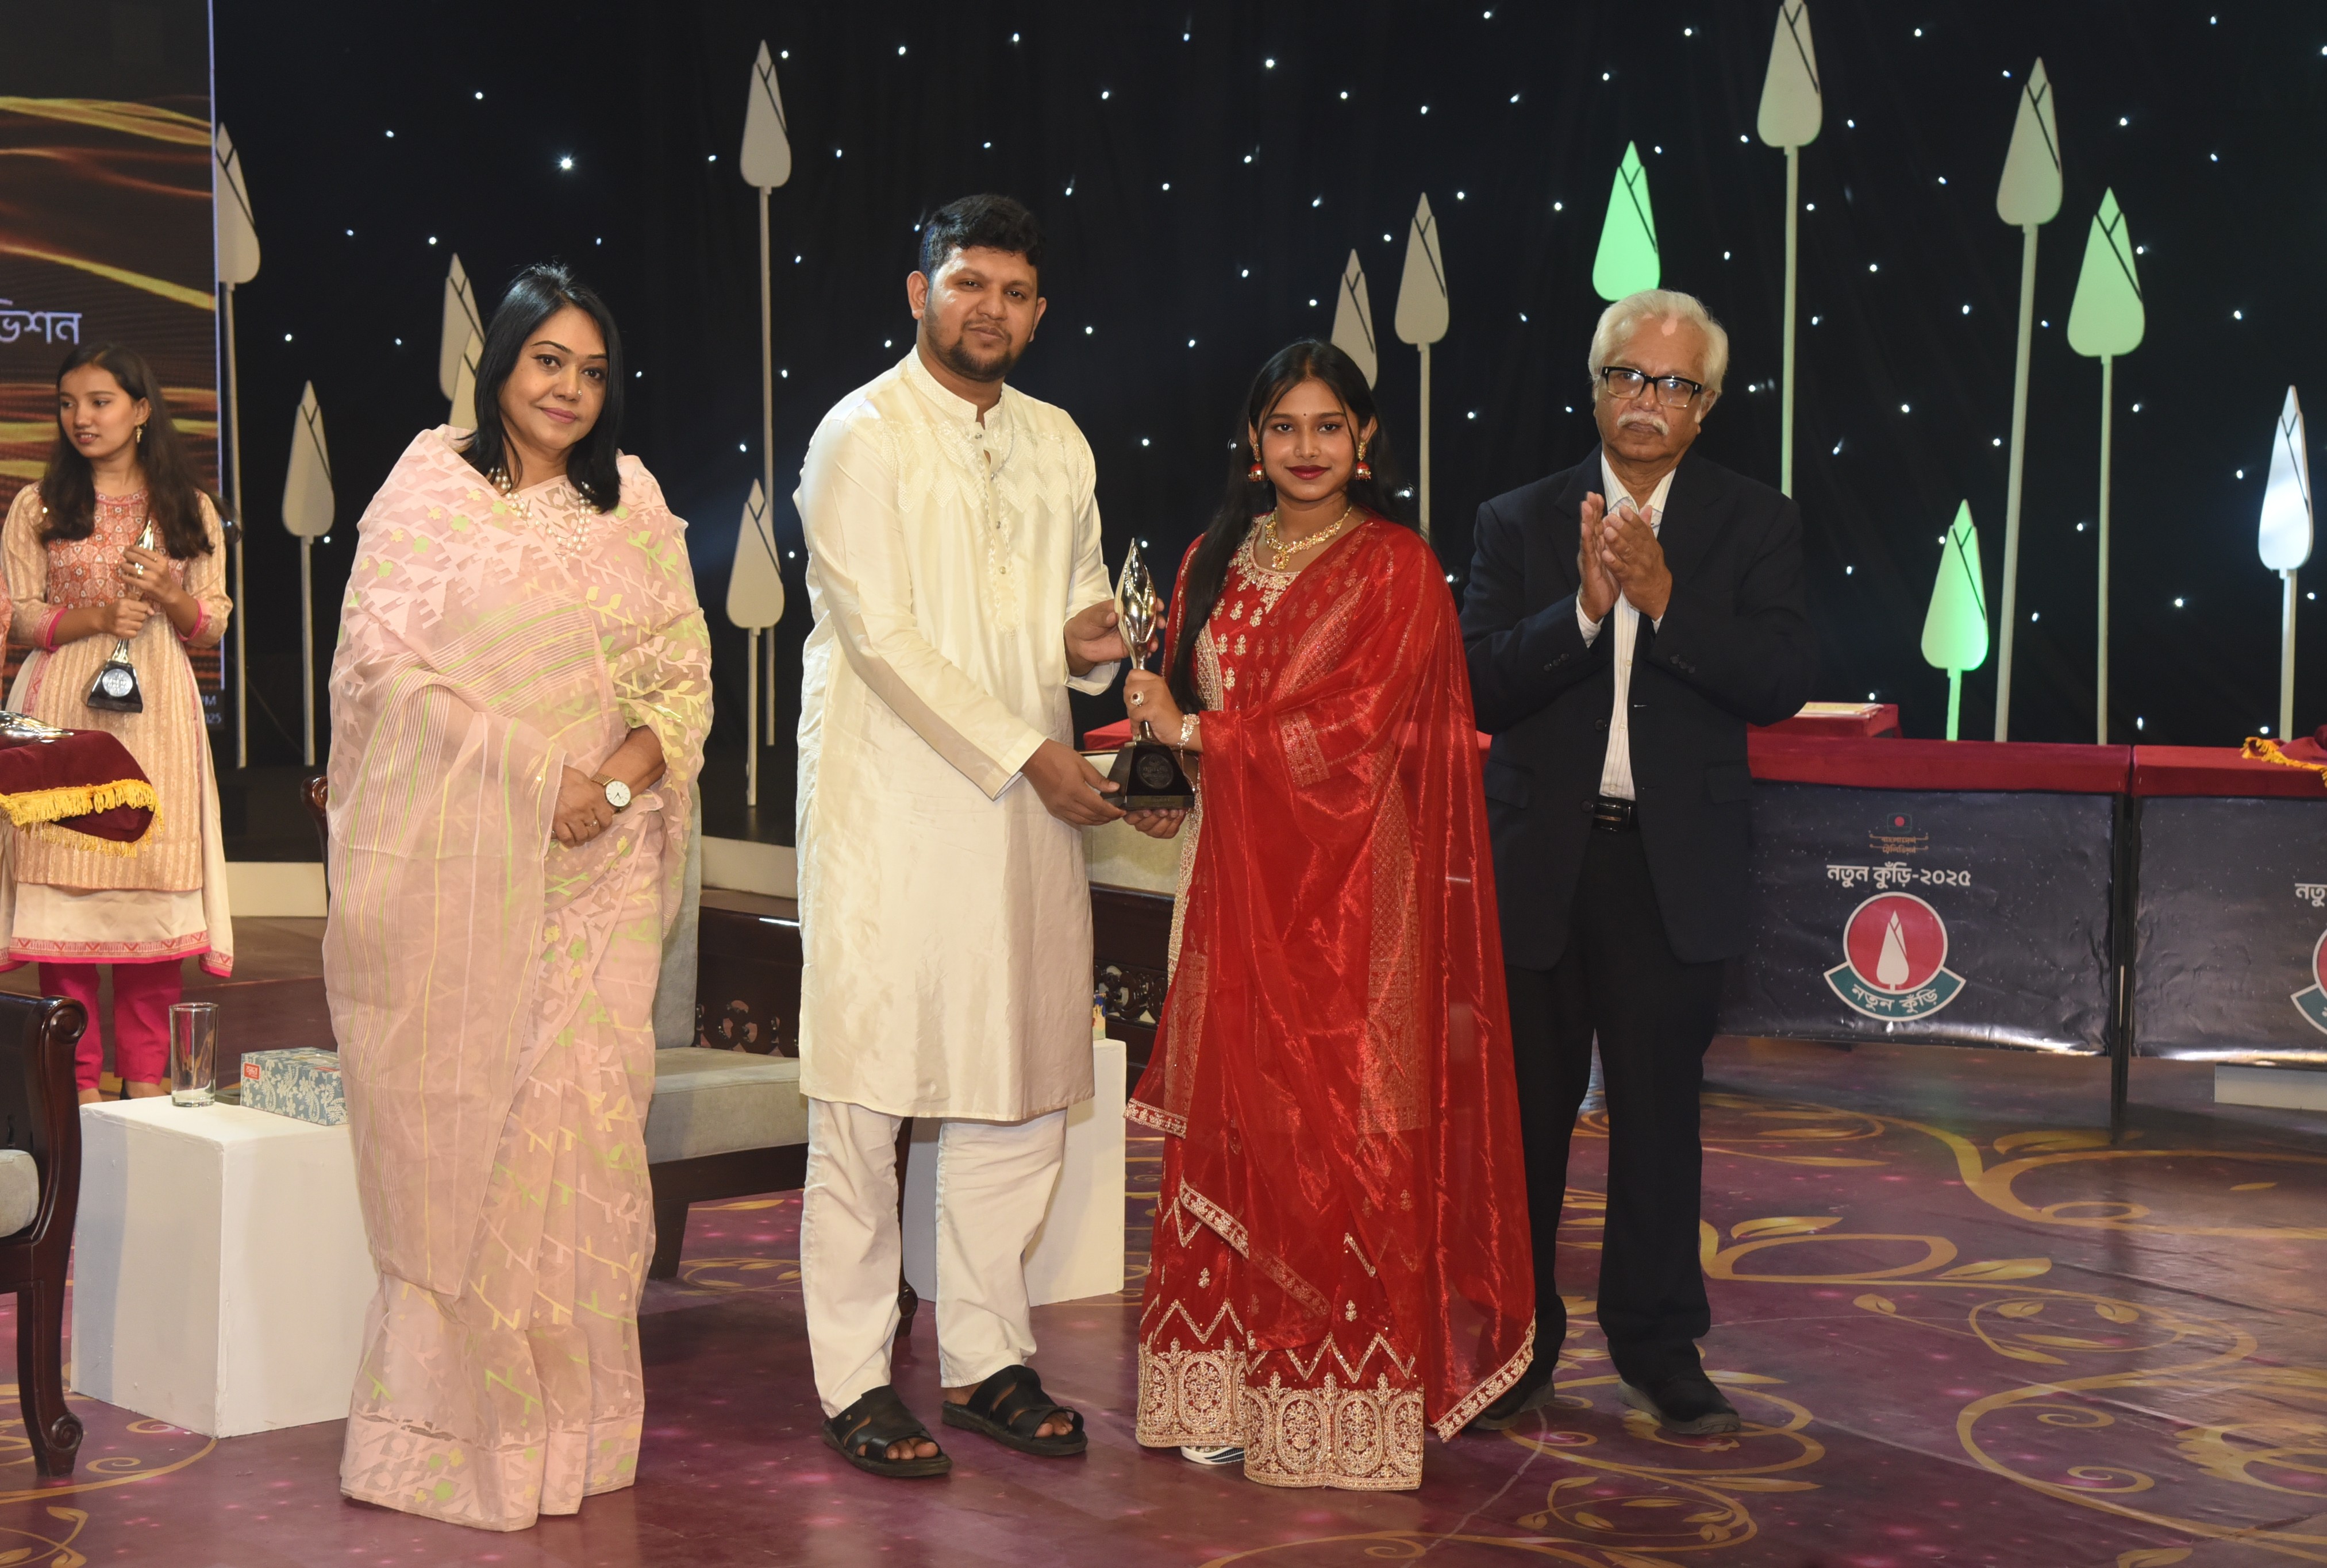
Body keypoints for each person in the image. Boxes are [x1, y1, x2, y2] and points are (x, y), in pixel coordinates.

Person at [325, 264, 710, 1530]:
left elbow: (680, 679)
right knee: (476, 1139)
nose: (570, 390)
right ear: (498, 363)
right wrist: (536, 780)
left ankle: (569, 1438)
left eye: (593, 371)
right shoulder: (430, 486)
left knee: (581, 1136)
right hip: (465, 873)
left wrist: (612, 785)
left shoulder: (633, 501)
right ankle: (455, 1440)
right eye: (549, 361)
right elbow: (383, 671)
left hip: (605, 867)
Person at [1121, 340, 1536, 1490]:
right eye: (1284, 427)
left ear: (1365, 441)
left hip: (1351, 897)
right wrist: (1165, 770)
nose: (1305, 448)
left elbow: (1350, 729)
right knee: (1228, 1123)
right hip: (1227, 887)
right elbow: (1188, 708)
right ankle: (1227, 1387)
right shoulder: (1212, 556)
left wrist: (1193, 734)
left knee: (1339, 1131)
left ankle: (1333, 1399)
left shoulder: (1398, 567)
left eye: (1327, 426)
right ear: (1252, 445)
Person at [793, 193, 1124, 1477]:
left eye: (1015, 292)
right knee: (867, 1094)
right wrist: (1032, 753)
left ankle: (988, 1360)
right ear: (918, 292)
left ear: (1039, 312)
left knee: (1019, 1083)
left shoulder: (1058, 438)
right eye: (968, 283)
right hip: (890, 807)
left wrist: (1092, 652)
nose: (990, 309)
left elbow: (1075, 611)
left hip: (1026, 808)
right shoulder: (861, 433)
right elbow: (882, 638)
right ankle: (855, 1376)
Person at [1459, 290, 1813, 1435]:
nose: (1648, 400)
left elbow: (1777, 681)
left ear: (1706, 406)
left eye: (1674, 384)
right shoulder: (1517, 519)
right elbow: (1476, 684)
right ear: (1595, 385)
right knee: (1525, 1124)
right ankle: (1517, 1344)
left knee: (1660, 1121)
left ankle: (1659, 1347)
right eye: (1628, 376)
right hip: (1540, 866)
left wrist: (1663, 602)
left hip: (1673, 870)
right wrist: (1582, 609)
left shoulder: (1757, 523)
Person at [1, 343, 232, 1103]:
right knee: (66, 889)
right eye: (68, 403)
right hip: (61, 710)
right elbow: (18, 615)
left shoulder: (187, 509)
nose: (81, 418)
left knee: (151, 893)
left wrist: (168, 593)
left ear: (141, 411)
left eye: (100, 402)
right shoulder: (38, 506)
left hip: (157, 715)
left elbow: (211, 623)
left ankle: (146, 1084)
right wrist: (96, 617)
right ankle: (75, 1090)